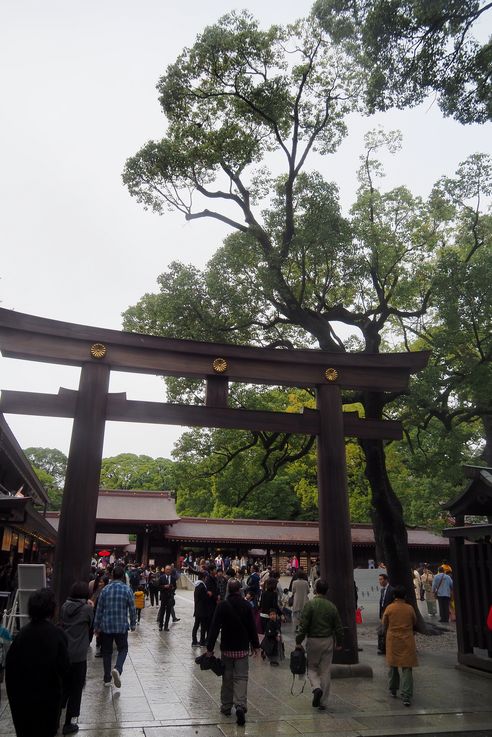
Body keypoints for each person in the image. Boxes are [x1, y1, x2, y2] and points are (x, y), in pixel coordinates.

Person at [6, 588, 70, 737]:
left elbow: (10, 671)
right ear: (52, 609)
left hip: (21, 703)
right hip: (48, 702)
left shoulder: (21, 636)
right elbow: (65, 669)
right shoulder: (57, 635)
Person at [206, 579, 260, 726]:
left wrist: (209, 648)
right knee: (241, 677)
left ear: (229, 590)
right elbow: (252, 627)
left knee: (227, 677)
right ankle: (240, 705)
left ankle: (226, 706)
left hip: (227, 648)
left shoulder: (222, 605)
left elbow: (214, 627)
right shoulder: (246, 605)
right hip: (242, 647)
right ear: (240, 590)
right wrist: (256, 646)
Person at [295, 578, 343, 711]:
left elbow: (303, 625)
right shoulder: (331, 606)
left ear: (315, 589)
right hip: (328, 640)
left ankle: (316, 687)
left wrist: (298, 641)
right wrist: (339, 642)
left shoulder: (310, 605)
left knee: (311, 668)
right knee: (326, 670)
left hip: (313, 640)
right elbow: (338, 627)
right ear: (327, 591)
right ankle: (323, 702)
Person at [93, 565, 136, 687]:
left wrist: (96, 627)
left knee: (107, 652)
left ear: (112, 575)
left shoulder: (105, 590)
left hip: (106, 626)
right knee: (123, 649)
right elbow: (132, 609)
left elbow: (99, 609)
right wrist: (133, 624)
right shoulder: (127, 590)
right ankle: (117, 668)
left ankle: (107, 679)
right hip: (121, 625)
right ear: (123, 576)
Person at [59, 581, 94, 735]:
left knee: (62, 687)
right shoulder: (87, 609)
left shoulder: (64, 607)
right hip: (79, 655)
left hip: (64, 653)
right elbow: (91, 627)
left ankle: (55, 719)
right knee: (76, 689)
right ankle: (68, 723)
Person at [382, 585, 418, 707]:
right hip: (407, 639)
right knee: (407, 667)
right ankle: (406, 694)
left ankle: (393, 688)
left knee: (393, 665)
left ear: (393, 596)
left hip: (393, 638)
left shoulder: (389, 608)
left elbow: (384, 623)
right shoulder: (409, 608)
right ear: (405, 596)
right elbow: (414, 621)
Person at [378, 573, 395, 654]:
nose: (380, 581)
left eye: (381, 579)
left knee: (387, 630)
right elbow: (381, 602)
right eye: (379, 579)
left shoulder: (391, 590)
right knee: (383, 630)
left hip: (389, 612)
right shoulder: (382, 590)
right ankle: (383, 647)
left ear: (386, 580)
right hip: (383, 612)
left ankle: (387, 648)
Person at [192, 571, 209, 646]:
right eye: (206, 577)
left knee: (196, 625)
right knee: (203, 626)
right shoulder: (202, 586)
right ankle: (201, 641)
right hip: (202, 610)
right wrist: (208, 594)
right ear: (203, 578)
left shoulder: (197, 586)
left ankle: (194, 641)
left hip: (197, 609)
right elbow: (204, 598)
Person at [157, 564, 176, 631]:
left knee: (168, 612)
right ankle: (160, 626)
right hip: (163, 597)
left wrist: (173, 588)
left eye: (169, 569)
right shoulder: (161, 577)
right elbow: (158, 587)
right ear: (165, 570)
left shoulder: (173, 578)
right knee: (162, 612)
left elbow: (175, 587)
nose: (168, 571)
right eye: (167, 569)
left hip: (170, 597)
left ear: (171, 570)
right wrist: (164, 586)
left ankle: (166, 626)